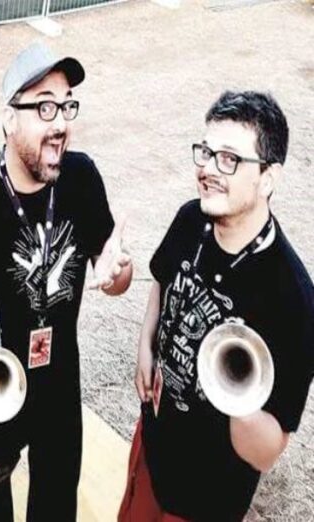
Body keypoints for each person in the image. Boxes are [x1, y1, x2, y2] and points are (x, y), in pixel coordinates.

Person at [0, 42, 133, 521]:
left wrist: (117, 273)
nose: (60, 123)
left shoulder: (82, 178)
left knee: (56, 505)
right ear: (10, 118)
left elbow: (115, 272)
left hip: (60, 382)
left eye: (66, 106)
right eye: (44, 107)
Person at [118, 91, 314, 521]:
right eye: (206, 153)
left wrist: (238, 394)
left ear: (268, 178)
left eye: (229, 159)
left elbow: (266, 452)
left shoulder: (294, 299)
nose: (207, 168)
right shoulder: (191, 219)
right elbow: (162, 281)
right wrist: (146, 346)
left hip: (206, 498)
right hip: (152, 445)